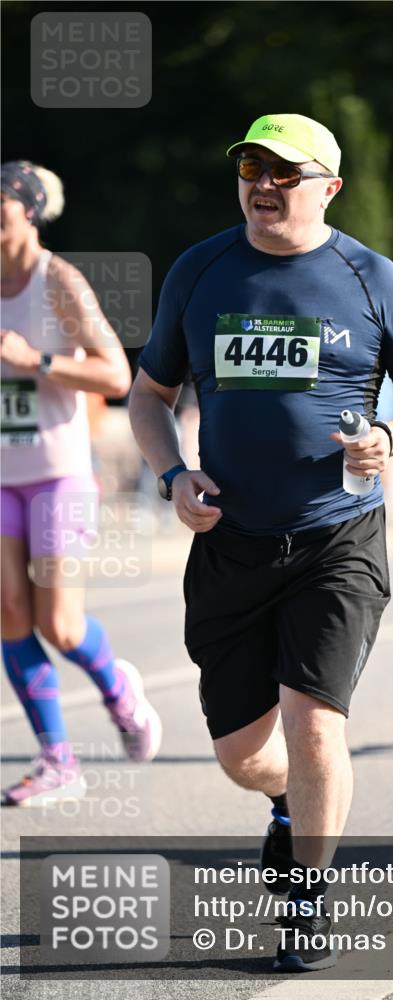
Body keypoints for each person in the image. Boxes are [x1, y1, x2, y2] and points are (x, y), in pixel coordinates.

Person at [129, 113, 393, 971]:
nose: (262, 183)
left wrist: (391, 438)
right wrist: (173, 476)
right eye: (249, 166)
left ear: (328, 188)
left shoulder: (371, 277)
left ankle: (307, 901)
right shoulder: (200, 270)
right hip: (230, 544)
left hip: (334, 537)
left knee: (315, 728)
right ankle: (285, 805)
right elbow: (148, 393)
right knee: (245, 758)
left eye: (283, 171)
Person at [1, 160, 162, 807]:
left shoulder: (57, 281)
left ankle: (119, 691)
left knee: (61, 625)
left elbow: (116, 374)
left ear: (29, 211)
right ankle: (57, 761)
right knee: (10, 615)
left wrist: (34, 360)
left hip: (58, 474)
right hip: (1, 477)